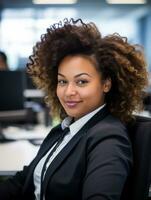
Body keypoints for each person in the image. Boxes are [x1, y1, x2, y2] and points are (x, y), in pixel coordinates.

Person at [0, 18, 148, 200]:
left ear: (106, 84)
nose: (69, 91)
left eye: (81, 81)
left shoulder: (109, 138)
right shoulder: (64, 130)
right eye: (62, 81)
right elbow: (23, 181)